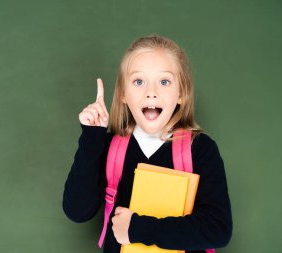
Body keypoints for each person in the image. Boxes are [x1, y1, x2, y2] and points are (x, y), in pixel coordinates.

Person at [62, 34, 232, 253]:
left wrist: (136, 229)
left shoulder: (200, 150)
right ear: (123, 94)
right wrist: (91, 137)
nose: (151, 92)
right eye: (139, 81)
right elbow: (77, 211)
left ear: (181, 93)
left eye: (164, 81)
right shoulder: (108, 147)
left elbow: (218, 230)